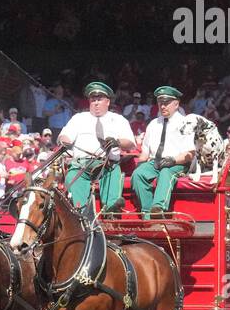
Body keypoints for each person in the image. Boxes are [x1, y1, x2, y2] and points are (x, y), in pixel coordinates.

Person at [57, 81, 134, 212]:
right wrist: (64, 141)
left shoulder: (118, 119)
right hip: (81, 166)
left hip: (107, 165)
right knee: (72, 176)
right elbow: (63, 137)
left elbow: (130, 144)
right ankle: (80, 212)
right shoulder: (78, 118)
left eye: (99, 99)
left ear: (108, 102)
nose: (96, 103)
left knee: (113, 170)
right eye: (93, 100)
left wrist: (117, 142)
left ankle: (112, 208)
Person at [132, 86, 195, 217]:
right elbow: (145, 152)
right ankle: (147, 214)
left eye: (166, 103)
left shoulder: (185, 123)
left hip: (178, 162)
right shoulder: (153, 124)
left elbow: (190, 154)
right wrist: (140, 165)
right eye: (160, 103)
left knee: (166, 172)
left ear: (176, 104)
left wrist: (173, 160)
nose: (163, 106)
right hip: (156, 161)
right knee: (138, 174)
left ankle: (158, 208)